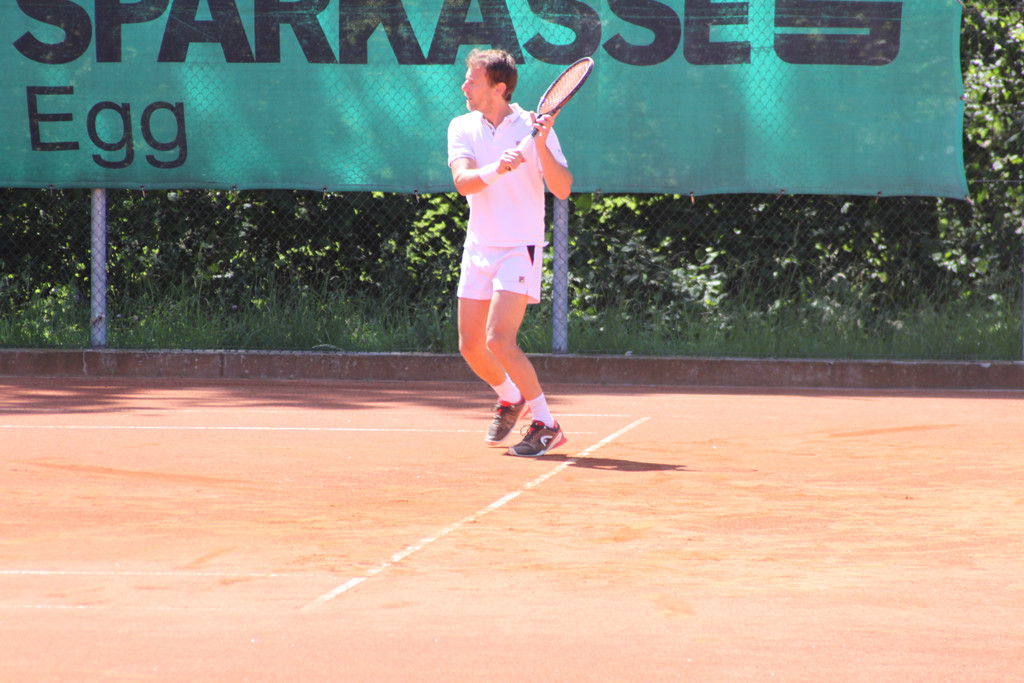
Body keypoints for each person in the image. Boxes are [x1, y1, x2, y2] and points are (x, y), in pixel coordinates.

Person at [446, 48, 572, 457]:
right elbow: (464, 182)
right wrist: (498, 168)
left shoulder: (533, 127)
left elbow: (563, 188)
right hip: (479, 245)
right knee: (470, 346)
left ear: (498, 88)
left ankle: (546, 424)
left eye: (472, 80)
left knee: (499, 339)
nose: (464, 86)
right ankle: (510, 396)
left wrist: (542, 144)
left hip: (519, 246)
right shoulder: (462, 126)